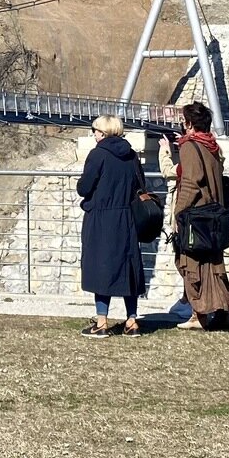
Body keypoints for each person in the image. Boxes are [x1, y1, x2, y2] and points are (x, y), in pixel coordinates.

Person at [77, 114, 149, 337]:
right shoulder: (131, 155)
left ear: (103, 132)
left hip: (101, 218)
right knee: (128, 268)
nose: (94, 134)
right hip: (127, 218)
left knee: (101, 267)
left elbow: (84, 187)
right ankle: (132, 321)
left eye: (95, 130)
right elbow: (141, 185)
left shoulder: (98, 155)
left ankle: (101, 322)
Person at [168, 101, 229, 330]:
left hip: (195, 216)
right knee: (214, 262)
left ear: (189, 124)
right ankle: (222, 311)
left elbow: (190, 181)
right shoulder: (212, 146)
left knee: (191, 262)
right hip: (214, 214)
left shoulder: (189, 146)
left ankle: (199, 315)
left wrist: (178, 213)